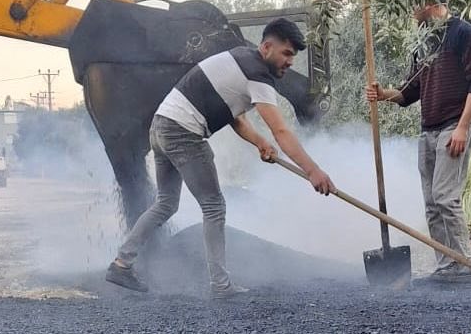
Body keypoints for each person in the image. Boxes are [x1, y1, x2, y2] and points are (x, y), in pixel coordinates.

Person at [106, 18, 335, 297]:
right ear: (266, 47)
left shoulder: (239, 57)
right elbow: (282, 130)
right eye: (286, 53)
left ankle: (121, 263)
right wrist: (313, 171)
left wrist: (259, 142)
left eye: (293, 56)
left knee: (166, 203)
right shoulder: (258, 75)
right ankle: (221, 285)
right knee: (214, 207)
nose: (290, 61)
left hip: (161, 125)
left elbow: (233, 116)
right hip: (183, 132)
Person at [365, 0, 471, 282]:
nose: (410, 9)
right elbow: (410, 92)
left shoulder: (463, 33)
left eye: (414, 3)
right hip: (428, 129)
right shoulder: (423, 40)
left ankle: (468, 265)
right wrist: (384, 95)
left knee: (446, 198)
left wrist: (462, 127)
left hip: (452, 127)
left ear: (430, 3)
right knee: (432, 204)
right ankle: (447, 266)